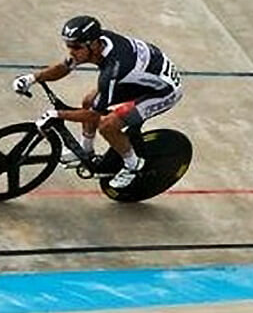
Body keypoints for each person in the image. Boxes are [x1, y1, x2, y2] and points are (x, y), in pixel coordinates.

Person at [11, 15, 183, 189]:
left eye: (76, 47)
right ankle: (86, 150)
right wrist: (32, 78)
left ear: (93, 45)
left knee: (108, 125)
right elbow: (64, 67)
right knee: (88, 101)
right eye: (68, 45)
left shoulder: (112, 69)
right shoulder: (98, 41)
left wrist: (56, 114)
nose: (71, 51)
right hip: (140, 77)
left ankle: (133, 166)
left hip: (163, 91)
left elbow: (94, 116)